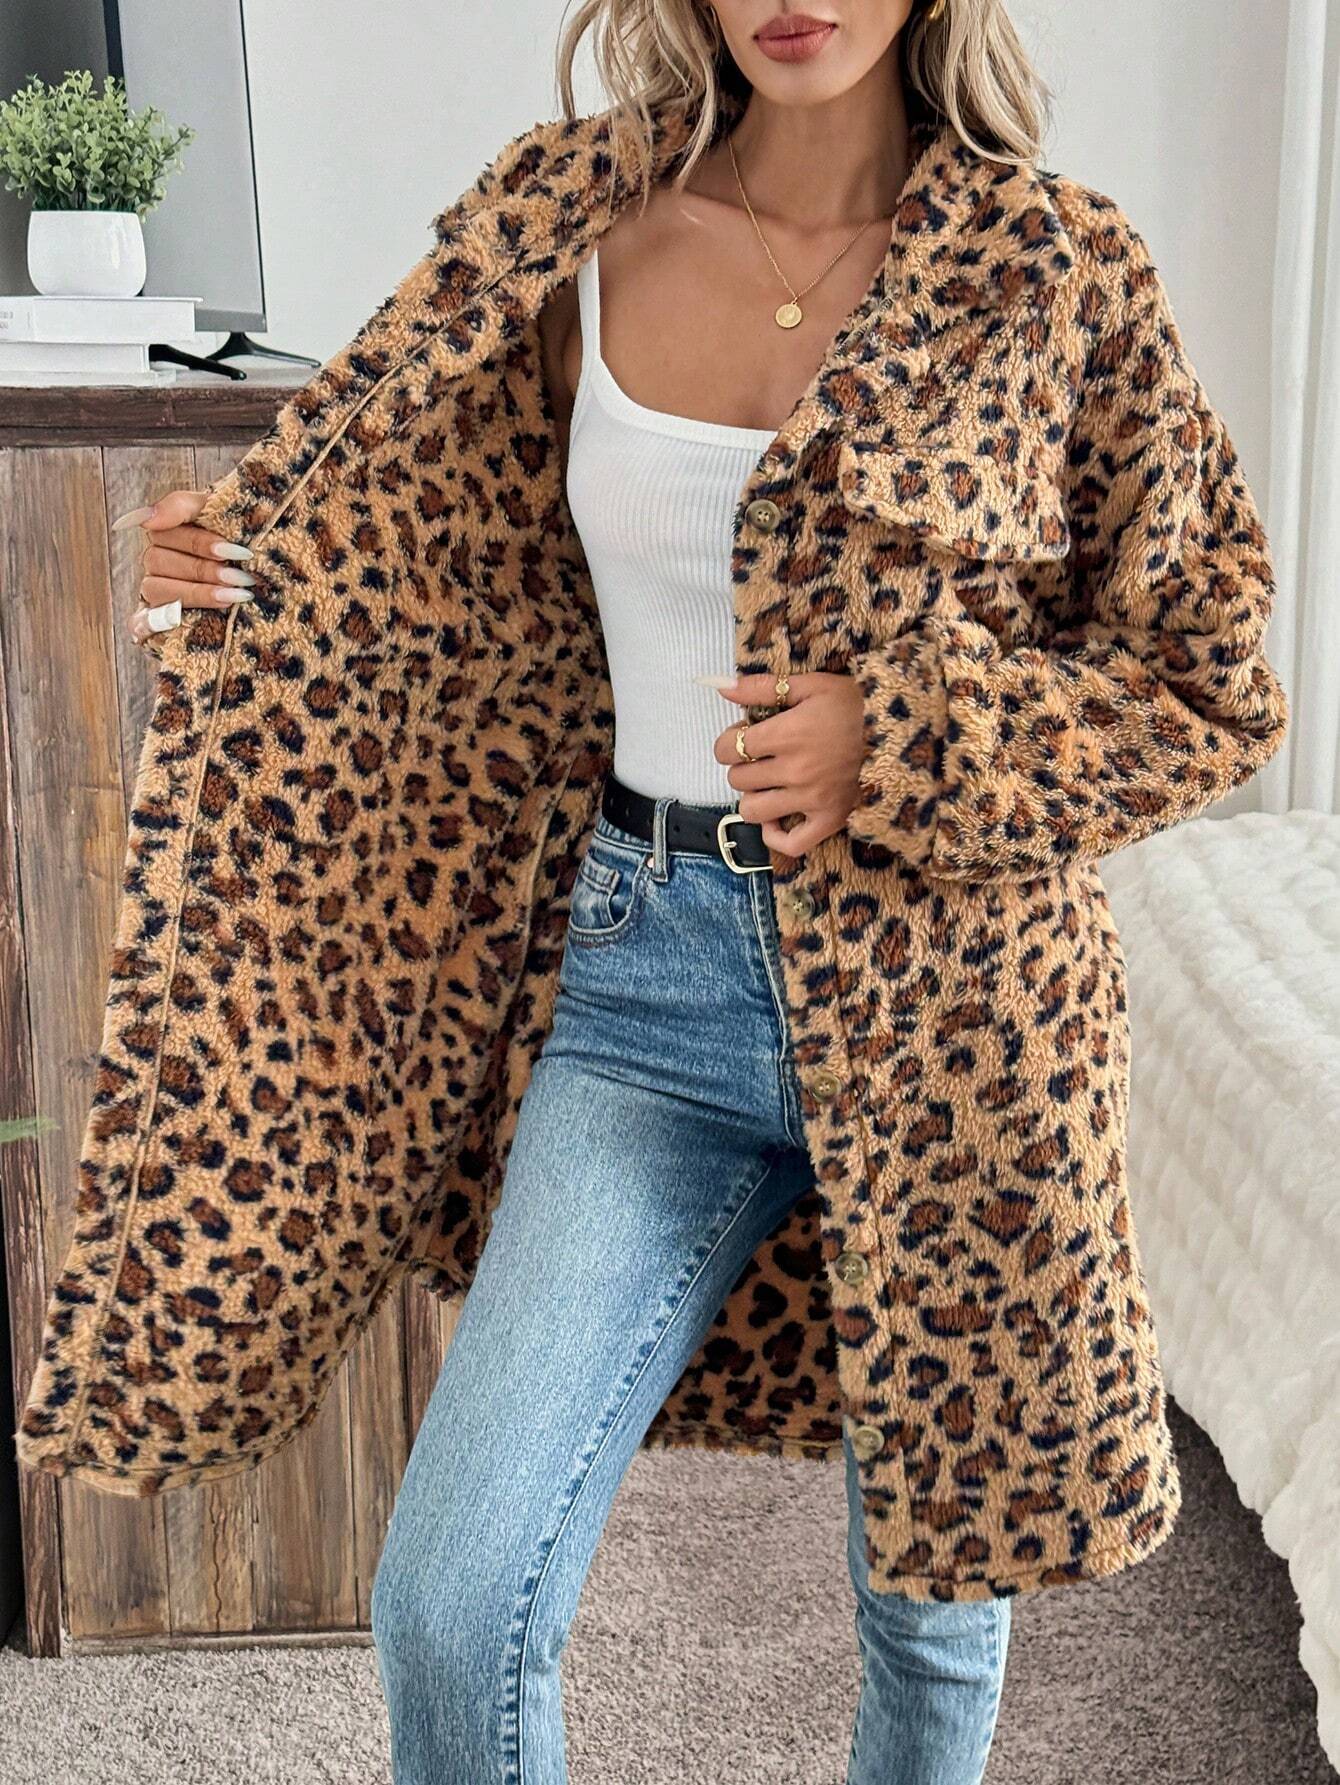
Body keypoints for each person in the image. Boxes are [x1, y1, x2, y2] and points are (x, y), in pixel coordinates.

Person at [106, 2, 1288, 1781]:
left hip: (959, 1005)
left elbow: (1211, 680)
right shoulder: (566, 228)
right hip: (643, 973)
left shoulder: (1058, 267)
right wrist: (238, 571)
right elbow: (445, 581)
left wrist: (906, 738)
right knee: (453, 1594)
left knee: (931, 1607)